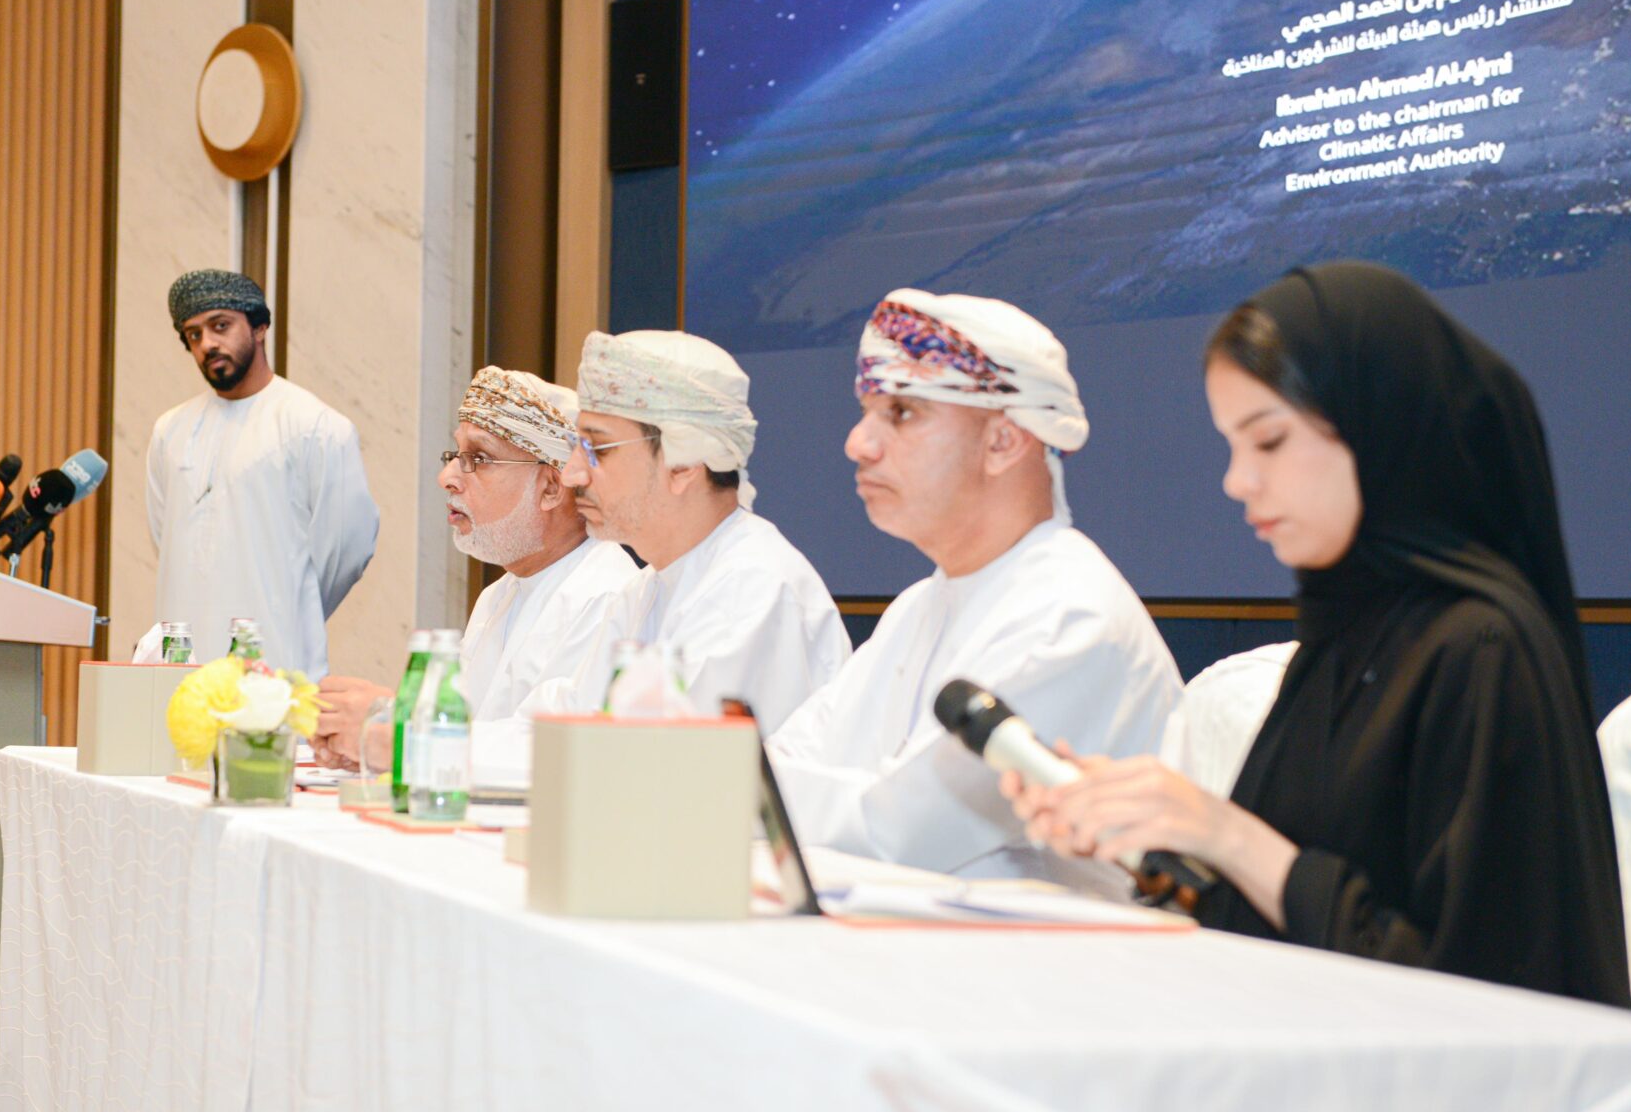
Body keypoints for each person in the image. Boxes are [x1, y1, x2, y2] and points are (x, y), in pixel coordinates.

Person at [1002, 261, 1630, 1004]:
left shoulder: (1482, 651)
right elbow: (1285, 923)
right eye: (1232, 446)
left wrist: (1228, 833)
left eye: (1268, 441)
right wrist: (1147, 835)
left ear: (1380, 427)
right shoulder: (1345, 638)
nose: (1237, 481)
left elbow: (1478, 999)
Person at [767, 289, 1182, 879]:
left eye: (902, 413)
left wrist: (730, 785)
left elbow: (897, 838)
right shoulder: (919, 606)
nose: (858, 443)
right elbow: (789, 757)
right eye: (866, 411)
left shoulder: (1069, 619)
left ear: (1002, 442)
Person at [310, 367, 637, 770]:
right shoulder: (499, 596)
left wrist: (397, 736)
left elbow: (552, 756)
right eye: (455, 455)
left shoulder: (607, 598)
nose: (446, 477)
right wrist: (375, 747)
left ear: (552, 487)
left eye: (478, 458)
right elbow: (464, 731)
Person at [532, 329, 850, 731]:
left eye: (597, 449)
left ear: (683, 466)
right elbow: (572, 718)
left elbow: (672, 758)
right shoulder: (647, 588)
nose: (572, 473)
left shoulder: (753, 590)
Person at [147, 270, 379, 678]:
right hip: (181, 670)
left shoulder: (315, 426)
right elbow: (164, 539)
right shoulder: (170, 431)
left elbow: (346, 548)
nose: (208, 344)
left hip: (276, 667)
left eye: (220, 326)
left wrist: (290, 605)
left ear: (259, 327)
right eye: (194, 334)